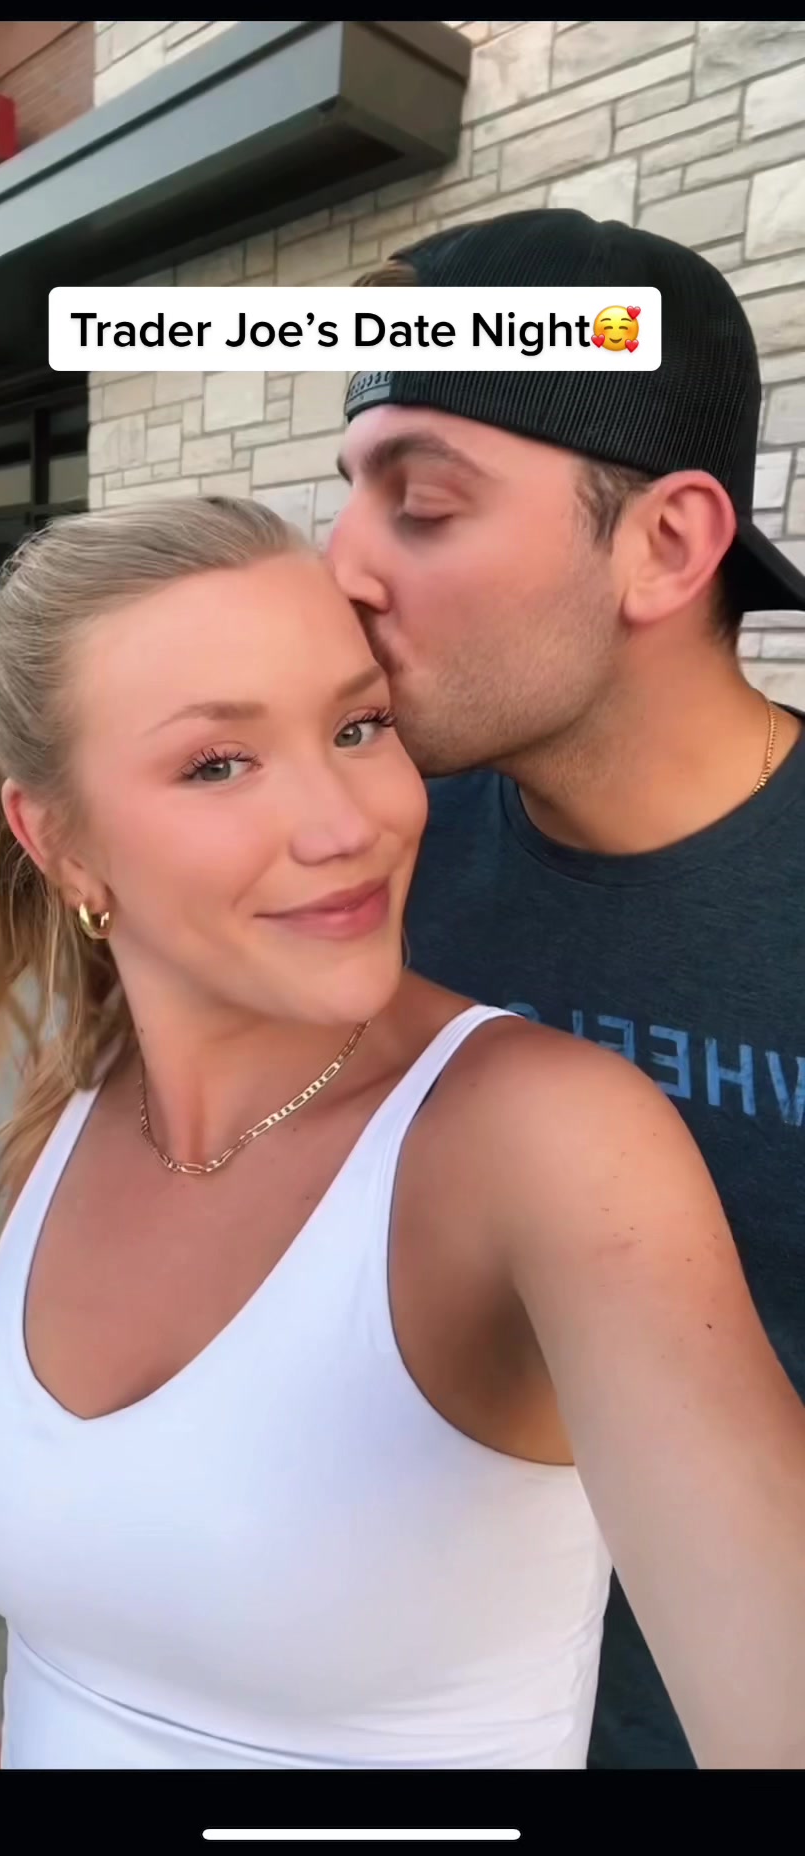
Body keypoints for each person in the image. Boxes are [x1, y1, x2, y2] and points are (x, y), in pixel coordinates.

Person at [0, 497, 804, 1772]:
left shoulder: (539, 1144)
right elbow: (100, 1545)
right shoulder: (71, 1114)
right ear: (56, 842)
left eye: (358, 726)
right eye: (219, 763)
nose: (350, 825)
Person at [330, 206, 805, 1770]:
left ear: (665, 545)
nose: (341, 567)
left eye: (424, 507)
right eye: (350, 494)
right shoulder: (368, 862)